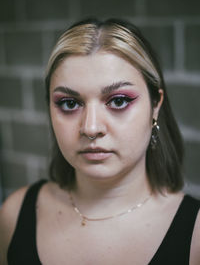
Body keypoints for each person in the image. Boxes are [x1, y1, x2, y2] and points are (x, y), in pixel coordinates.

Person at [0, 18, 199, 265]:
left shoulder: (197, 236)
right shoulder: (13, 214)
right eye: (69, 103)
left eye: (118, 101)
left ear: (155, 105)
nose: (91, 128)